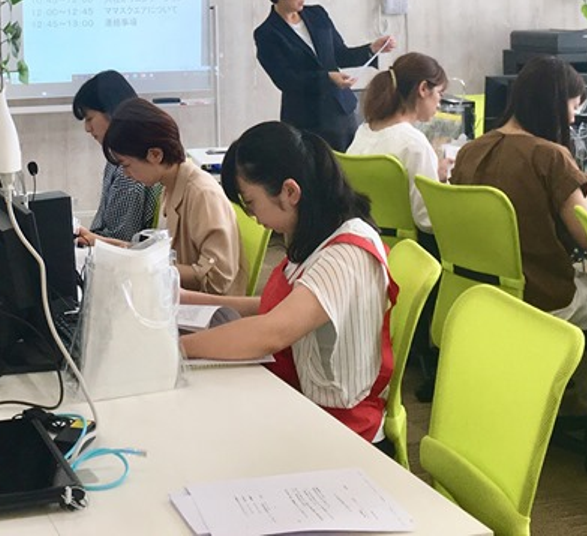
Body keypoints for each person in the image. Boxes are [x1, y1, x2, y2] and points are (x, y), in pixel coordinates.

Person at [181, 122, 398, 441]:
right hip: (299, 399)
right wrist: (190, 299)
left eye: (251, 202)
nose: (252, 217)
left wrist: (177, 349)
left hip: (340, 427)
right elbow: (278, 308)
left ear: (290, 192)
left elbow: (272, 331)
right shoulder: (315, 232)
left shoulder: (347, 255)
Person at [451, 56, 587, 329]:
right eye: (572, 107)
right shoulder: (551, 157)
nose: (573, 118)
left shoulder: (469, 152)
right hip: (542, 298)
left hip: (481, 295)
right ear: (554, 104)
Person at [101, 99, 243, 295]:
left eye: (126, 165)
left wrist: (148, 265)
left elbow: (217, 280)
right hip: (176, 297)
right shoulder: (169, 185)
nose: (126, 174)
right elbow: (158, 254)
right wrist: (99, 243)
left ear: (155, 155)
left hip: (203, 307)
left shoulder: (202, 194)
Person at [253, 0, 395, 151]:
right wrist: (327, 77)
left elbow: (340, 54)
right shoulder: (267, 33)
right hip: (305, 120)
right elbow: (287, 80)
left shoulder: (317, 15)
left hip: (340, 111)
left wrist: (371, 48)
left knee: (350, 164)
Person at [347, 52, 449, 239]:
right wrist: (441, 185)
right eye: (439, 94)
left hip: (363, 239)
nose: (439, 104)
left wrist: (434, 171)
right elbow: (427, 221)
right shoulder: (414, 143)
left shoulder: (363, 132)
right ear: (423, 89)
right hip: (407, 248)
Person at [71, 71, 161, 246]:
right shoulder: (117, 157)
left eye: (90, 118)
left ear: (111, 112)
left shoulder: (131, 166)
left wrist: (86, 240)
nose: (87, 128)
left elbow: (121, 237)